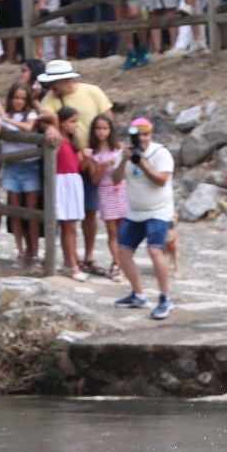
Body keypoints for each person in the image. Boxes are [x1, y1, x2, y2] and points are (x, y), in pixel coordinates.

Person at [113, 116, 176, 319]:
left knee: (154, 250)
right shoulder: (127, 153)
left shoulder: (160, 153)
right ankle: (138, 293)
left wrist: (143, 163)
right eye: (138, 134)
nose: (142, 138)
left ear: (151, 135)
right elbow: (115, 179)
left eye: (146, 134)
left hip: (159, 210)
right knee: (122, 252)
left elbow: (161, 180)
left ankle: (165, 298)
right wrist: (124, 160)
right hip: (135, 211)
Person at [0, 83, 42, 268]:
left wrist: (7, 120)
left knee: (31, 212)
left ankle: (34, 253)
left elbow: (28, 127)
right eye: (16, 97)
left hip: (30, 166)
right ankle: (20, 251)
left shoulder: (30, 114)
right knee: (15, 212)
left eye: (22, 98)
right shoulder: (5, 114)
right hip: (12, 166)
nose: (18, 101)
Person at [43, 108, 88, 277]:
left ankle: (70, 262)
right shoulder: (59, 139)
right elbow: (49, 115)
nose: (76, 125)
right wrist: (53, 125)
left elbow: (80, 166)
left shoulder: (73, 142)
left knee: (71, 226)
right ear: (62, 122)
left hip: (74, 182)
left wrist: (87, 157)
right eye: (72, 121)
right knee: (67, 225)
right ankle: (72, 265)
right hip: (62, 183)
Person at [86, 112, 126, 278]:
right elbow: (93, 179)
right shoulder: (92, 154)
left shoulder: (119, 149)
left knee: (123, 229)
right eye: (98, 129)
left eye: (105, 128)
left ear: (110, 130)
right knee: (112, 231)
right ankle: (116, 262)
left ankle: (123, 262)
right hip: (105, 190)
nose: (101, 132)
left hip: (122, 189)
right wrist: (101, 167)